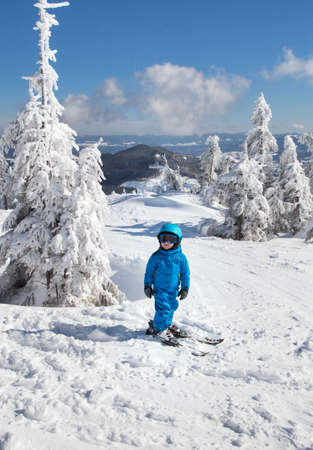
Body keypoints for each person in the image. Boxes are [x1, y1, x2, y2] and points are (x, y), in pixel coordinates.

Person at [144, 223, 190, 344]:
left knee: (171, 308)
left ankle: (165, 324)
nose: (166, 242)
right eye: (163, 239)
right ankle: (160, 329)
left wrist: (185, 288)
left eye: (171, 239)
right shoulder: (156, 257)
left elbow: (185, 274)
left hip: (173, 289)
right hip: (160, 289)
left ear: (177, 241)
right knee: (163, 309)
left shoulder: (181, 258)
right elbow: (149, 272)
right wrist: (147, 286)